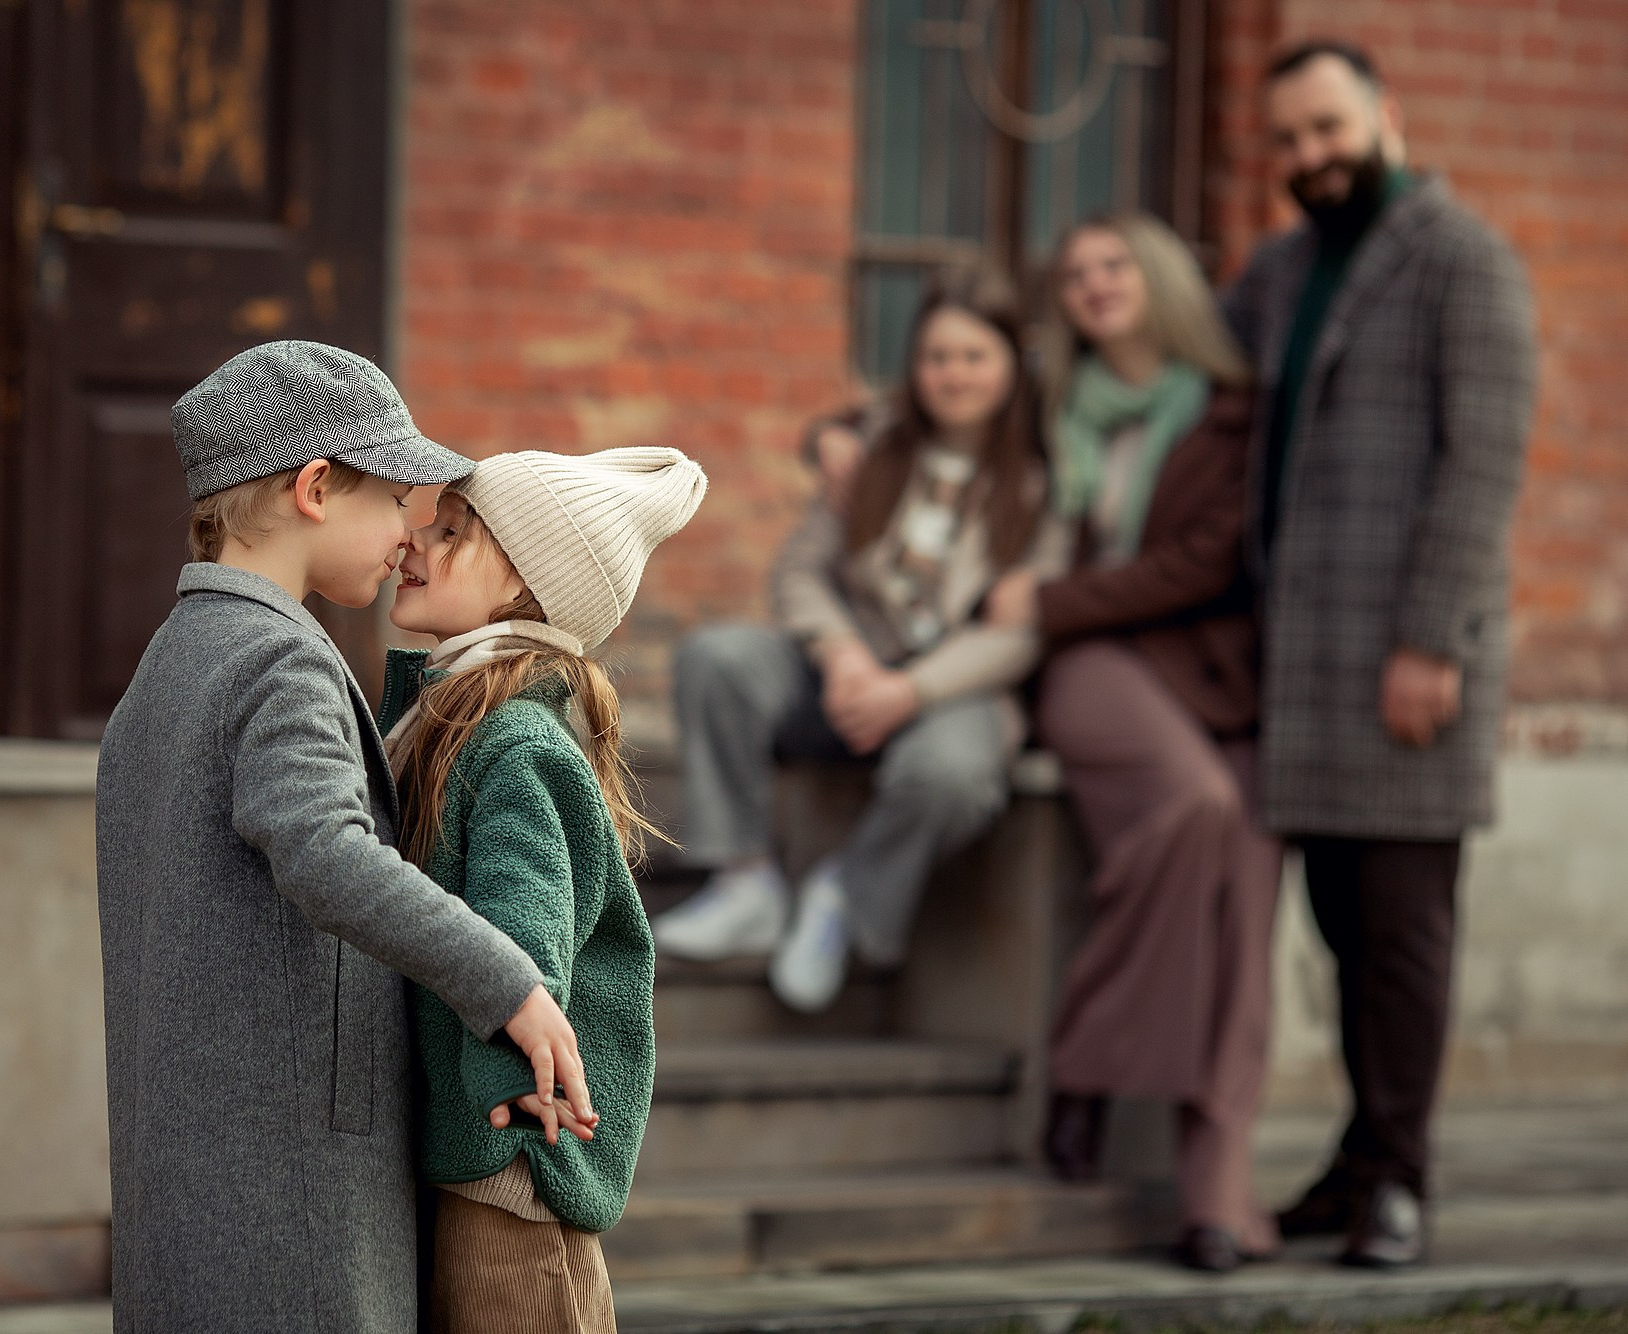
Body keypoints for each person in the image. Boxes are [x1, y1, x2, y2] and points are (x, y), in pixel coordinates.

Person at [96, 341, 598, 1332]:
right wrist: (512, 984)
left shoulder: (168, 663)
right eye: (396, 501)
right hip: (285, 1198)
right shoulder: (279, 659)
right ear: (316, 488)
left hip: (185, 1187)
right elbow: (327, 852)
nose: (406, 537)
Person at [1222, 41, 1537, 1268]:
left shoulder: (1464, 258)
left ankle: (1399, 1178)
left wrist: (1430, 641)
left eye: (1325, 128)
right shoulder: (1282, 267)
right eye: (1287, 140)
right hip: (1300, 670)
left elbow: (1482, 465)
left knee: (1401, 933)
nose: (1308, 157)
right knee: (1341, 925)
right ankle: (1356, 1163)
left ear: (1383, 117)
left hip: (1407, 664)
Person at [983, 212, 1280, 1273]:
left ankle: (1215, 1195)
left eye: (1114, 265)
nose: (1094, 284)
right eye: (1074, 273)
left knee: (1249, 866)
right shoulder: (1054, 407)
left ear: (1158, 279)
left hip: (1204, 667)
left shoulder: (1231, 411)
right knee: (1193, 804)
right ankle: (1088, 1068)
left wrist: (1056, 592)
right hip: (1091, 661)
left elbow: (1207, 560)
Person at [651, 262, 1063, 1014]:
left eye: (975, 357)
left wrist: (911, 690)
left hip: (956, 691)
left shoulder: (1042, 481)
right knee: (718, 658)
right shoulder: (873, 446)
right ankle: (745, 881)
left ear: (1012, 364)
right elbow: (799, 572)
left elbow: (1021, 633)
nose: (954, 374)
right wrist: (841, 653)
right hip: (842, 672)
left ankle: (847, 896)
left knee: (953, 771)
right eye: (938, 356)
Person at [381, 447, 706, 1334]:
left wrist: (501, 1103)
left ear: (527, 586)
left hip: (517, 1156)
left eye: (451, 532)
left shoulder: (516, 742)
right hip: (474, 1135)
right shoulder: (450, 714)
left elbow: (526, 938)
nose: (413, 540)